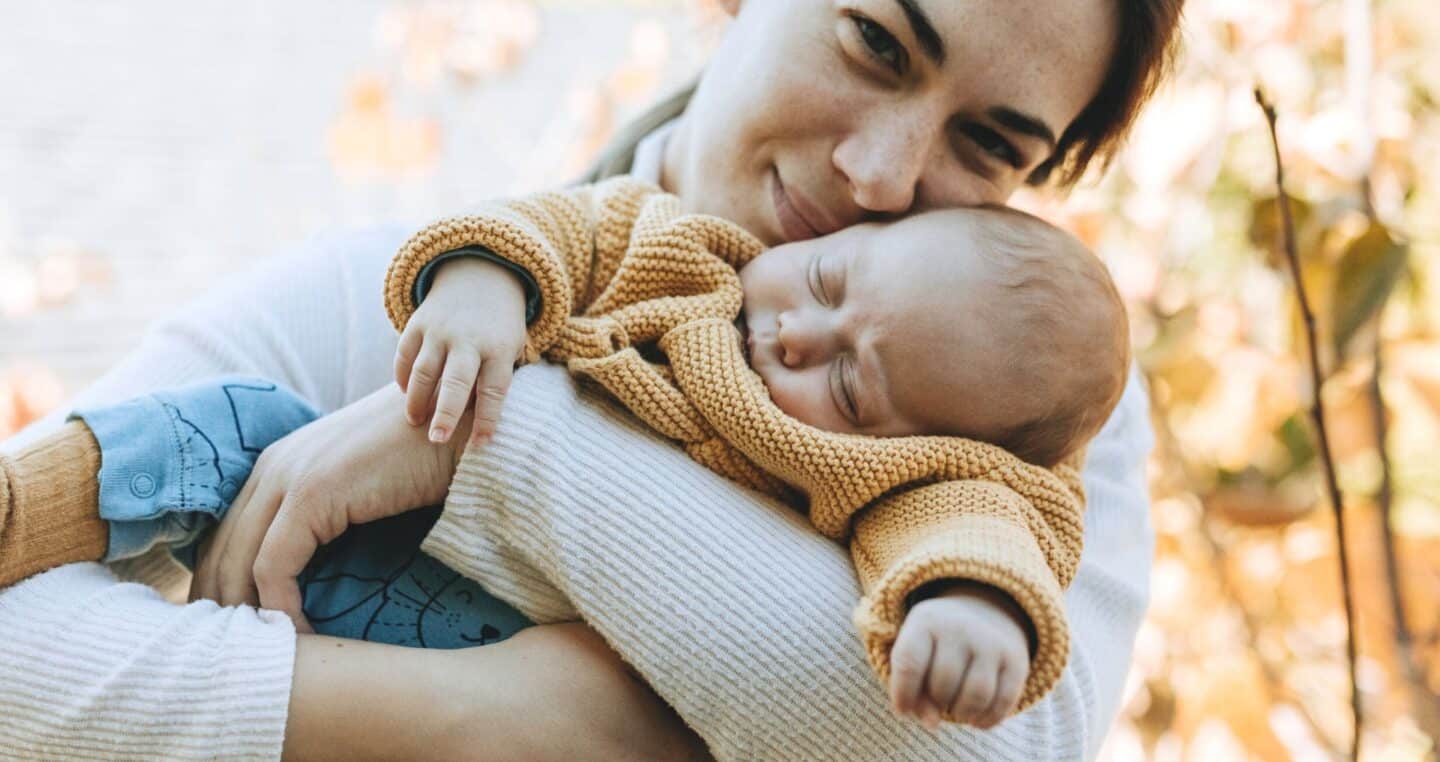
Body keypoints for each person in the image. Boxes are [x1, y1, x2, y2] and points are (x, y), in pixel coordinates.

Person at [0, 0, 1190, 758]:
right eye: (877, 41)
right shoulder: (436, 280)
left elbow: (985, 745)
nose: (881, 176)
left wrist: (492, 447)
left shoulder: (1026, 385)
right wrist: (497, 720)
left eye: (988, 143)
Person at [0, 181, 1128, 730]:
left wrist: (975, 607)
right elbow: (564, 232)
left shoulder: (898, 482)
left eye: (847, 381)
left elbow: (969, 527)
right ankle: (27, 502)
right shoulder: (688, 255)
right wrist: (488, 294)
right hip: (378, 548)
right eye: (830, 282)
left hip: (469, 629)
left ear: (917, 443)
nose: (795, 332)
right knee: (243, 421)